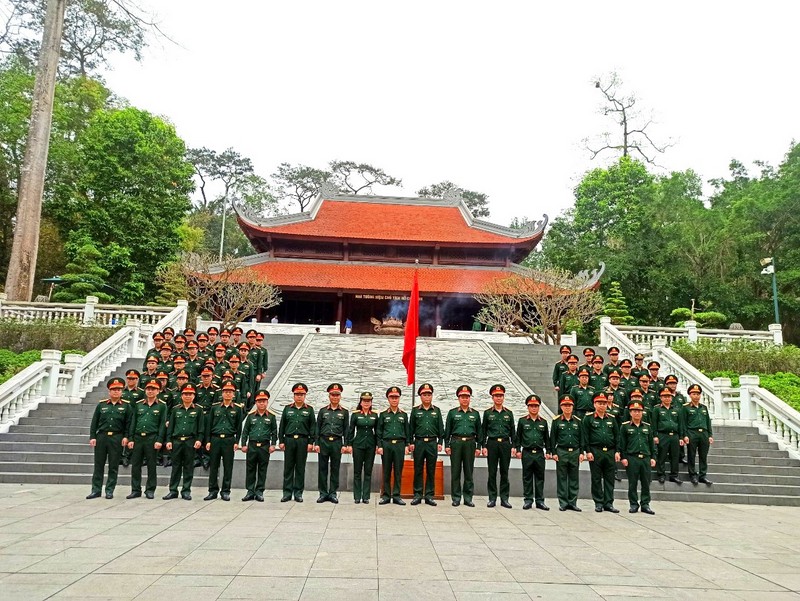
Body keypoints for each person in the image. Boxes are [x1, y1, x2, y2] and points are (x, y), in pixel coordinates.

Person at [87, 378, 132, 499]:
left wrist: (126, 437)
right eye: (113, 390)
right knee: (98, 465)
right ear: (109, 391)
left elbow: (128, 424)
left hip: (117, 437)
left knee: (113, 465)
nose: (116, 392)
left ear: (121, 391)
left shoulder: (126, 406)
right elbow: (94, 422)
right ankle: (96, 489)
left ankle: (109, 490)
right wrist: (93, 437)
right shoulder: (101, 405)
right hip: (102, 437)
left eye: (118, 390)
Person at [126, 380, 166, 499]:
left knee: (151, 465)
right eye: (148, 389)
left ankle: (150, 489)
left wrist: (159, 439)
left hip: (152, 438)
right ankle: (135, 489)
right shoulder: (139, 404)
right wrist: (131, 438)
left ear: (158, 391)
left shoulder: (162, 406)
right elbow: (133, 422)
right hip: (138, 437)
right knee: (136, 465)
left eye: (153, 389)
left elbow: (162, 424)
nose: (150, 391)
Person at [163, 384, 204, 500]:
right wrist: (168, 440)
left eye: (190, 394)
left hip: (190, 441)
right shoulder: (176, 410)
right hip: (176, 441)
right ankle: (173, 490)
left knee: (188, 466)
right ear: (181, 396)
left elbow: (200, 427)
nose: (187, 396)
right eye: (185, 394)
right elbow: (171, 427)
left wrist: (199, 440)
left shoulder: (198, 410)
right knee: (175, 467)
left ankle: (186, 490)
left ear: (194, 396)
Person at [204, 381, 243, 501]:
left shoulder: (237, 409)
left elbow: (238, 427)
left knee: (228, 466)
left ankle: (225, 491)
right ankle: (212, 491)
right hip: (215, 439)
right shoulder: (215, 407)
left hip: (229, 439)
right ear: (222, 393)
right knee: (214, 466)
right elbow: (209, 425)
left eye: (230, 392)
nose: (227, 394)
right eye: (225, 392)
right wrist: (208, 441)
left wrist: (237, 441)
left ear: (233, 395)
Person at [444, 385, 482, 507]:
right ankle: (456, 498)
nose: (465, 399)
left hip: (470, 443)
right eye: (462, 397)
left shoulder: (475, 414)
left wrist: (478, 447)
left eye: (467, 397)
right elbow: (447, 431)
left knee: (468, 472)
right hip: (456, 443)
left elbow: (479, 432)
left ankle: (468, 498)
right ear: (458, 398)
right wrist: (447, 445)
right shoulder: (452, 413)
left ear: (469, 398)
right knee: (455, 472)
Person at [582, 392, 620, 513]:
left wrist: (617, 451)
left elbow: (617, 436)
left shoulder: (612, 419)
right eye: (599, 403)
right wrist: (587, 451)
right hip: (595, 451)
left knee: (610, 478)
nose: (602, 405)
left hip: (609, 451)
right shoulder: (588, 418)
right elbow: (585, 436)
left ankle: (609, 503)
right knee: (596, 478)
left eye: (604, 403)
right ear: (594, 404)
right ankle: (598, 502)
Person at [617, 400, 656, 514]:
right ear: (630, 413)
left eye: (639, 411)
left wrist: (653, 457)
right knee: (632, 483)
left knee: (646, 482)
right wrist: (623, 457)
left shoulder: (647, 427)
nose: (637, 413)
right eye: (634, 411)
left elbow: (651, 444)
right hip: (632, 458)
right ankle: (633, 504)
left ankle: (645, 504)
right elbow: (622, 443)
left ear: (642, 412)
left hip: (645, 458)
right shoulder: (625, 427)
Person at [279, 382, 315, 502]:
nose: (299, 396)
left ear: (305, 396)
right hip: (289, 440)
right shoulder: (287, 409)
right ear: (293, 395)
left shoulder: (309, 410)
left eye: (301, 394)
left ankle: (298, 493)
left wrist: (311, 442)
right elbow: (282, 426)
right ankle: (287, 493)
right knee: (288, 467)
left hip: (302, 441)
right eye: (297, 394)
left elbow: (312, 428)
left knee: (300, 467)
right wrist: (281, 440)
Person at [409, 383, 444, 506]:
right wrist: (411, 443)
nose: (427, 397)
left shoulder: (436, 411)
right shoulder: (415, 411)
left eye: (429, 394)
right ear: (420, 396)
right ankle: (417, 494)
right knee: (418, 469)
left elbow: (441, 428)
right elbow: (410, 428)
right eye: (424, 395)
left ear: (432, 396)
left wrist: (440, 442)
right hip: (419, 442)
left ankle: (429, 495)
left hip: (432, 443)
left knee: (431, 469)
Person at [514, 394, 550, 511]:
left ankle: (540, 501)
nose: (534, 408)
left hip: (539, 453)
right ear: (528, 407)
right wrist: (518, 450)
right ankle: (528, 500)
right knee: (527, 477)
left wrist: (549, 451)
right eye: (531, 406)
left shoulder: (543, 422)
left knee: (540, 477)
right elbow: (518, 437)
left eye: (536, 406)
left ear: (539, 407)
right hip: (527, 453)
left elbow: (546, 439)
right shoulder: (522, 421)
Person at [240, 390, 277, 502]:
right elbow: (245, 431)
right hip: (252, 446)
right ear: (256, 402)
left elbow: (274, 432)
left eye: (264, 401)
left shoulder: (271, 417)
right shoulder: (251, 416)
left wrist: (273, 444)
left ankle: (259, 491)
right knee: (250, 469)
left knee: (262, 469)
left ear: (267, 402)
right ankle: (250, 491)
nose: (262, 403)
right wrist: (243, 444)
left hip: (264, 447)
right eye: (259, 401)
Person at [315, 383, 349, 503]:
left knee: (335, 468)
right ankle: (323, 493)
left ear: (340, 396)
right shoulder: (323, 411)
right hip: (324, 441)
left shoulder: (344, 412)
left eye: (337, 395)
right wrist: (317, 443)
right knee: (322, 468)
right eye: (332, 395)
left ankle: (333, 493)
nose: (335, 397)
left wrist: (345, 445)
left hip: (337, 442)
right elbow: (317, 428)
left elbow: (346, 429)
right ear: (329, 396)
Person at [482, 384, 514, 508]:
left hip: (505, 444)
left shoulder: (509, 413)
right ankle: (492, 498)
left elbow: (512, 431)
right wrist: (483, 446)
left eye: (500, 396)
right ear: (492, 397)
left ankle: (505, 498)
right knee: (492, 472)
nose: (498, 398)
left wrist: (514, 446)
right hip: (492, 444)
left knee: (505, 472)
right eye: (496, 396)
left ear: (503, 397)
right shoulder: (487, 413)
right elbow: (483, 431)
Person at [377, 386, 410, 505]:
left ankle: (396, 495)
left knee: (397, 471)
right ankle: (386, 495)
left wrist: (407, 445)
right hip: (387, 445)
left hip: (400, 445)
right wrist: (379, 446)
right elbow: (379, 432)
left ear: (399, 398)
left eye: (396, 397)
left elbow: (407, 432)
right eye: (392, 397)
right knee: (386, 470)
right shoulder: (383, 414)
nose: (394, 400)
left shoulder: (404, 415)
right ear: (388, 399)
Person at [550, 395, 583, 511]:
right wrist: (553, 452)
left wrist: (581, 452)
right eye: (565, 405)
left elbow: (581, 438)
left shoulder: (578, 422)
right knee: (562, 478)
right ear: (561, 407)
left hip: (575, 452)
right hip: (561, 451)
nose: (567, 407)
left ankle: (573, 502)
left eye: (569, 405)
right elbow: (552, 438)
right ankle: (563, 502)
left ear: (573, 407)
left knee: (574, 478)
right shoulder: (556, 421)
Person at [349, 391, 379, 504]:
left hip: (370, 445)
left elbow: (378, 432)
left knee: (368, 471)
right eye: (364, 401)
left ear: (371, 403)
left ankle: (366, 496)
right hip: (358, 445)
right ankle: (357, 496)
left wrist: (378, 445)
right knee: (357, 471)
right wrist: (349, 445)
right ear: (360, 402)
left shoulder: (374, 415)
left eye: (368, 401)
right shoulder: (356, 415)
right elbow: (351, 431)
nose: (366, 403)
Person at [682, 384, 714, 486]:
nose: (696, 396)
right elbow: (683, 423)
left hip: (704, 433)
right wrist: (685, 435)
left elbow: (708, 422)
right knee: (691, 455)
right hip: (692, 433)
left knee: (703, 456)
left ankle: (703, 475)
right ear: (690, 395)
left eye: (698, 394)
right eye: (694, 394)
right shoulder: (686, 408)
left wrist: (710, 435)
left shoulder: (703, 407)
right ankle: (692, 475)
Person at [652, 388, 683, 485]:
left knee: (675, 456)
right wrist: (655, 435)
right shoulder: (657, 409)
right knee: (662, 455)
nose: (667, 398)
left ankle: (674, 475)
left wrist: (681, 437)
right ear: (661, 398)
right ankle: (661, 475)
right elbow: (654, 423)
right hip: (662, 435)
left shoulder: (676, 410)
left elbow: (680, 424)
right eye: (665, 396)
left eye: (669, 396)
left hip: (674, 435)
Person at [120, 369, 144, 468]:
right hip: (121, 417)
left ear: (137, 380)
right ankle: (120, 456)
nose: (131, 380)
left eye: (134, 379)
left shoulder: (140, 392)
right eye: (129, 378)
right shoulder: (121, 391)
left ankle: (127, 456)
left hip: (134, 417)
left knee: (131, 436)